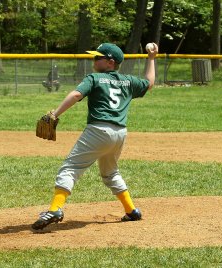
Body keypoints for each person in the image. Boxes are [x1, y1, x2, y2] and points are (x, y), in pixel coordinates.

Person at [32, 42, 158, 230]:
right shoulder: (128, 81)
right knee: (110, 172)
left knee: (71, 167)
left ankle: (54, 209)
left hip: (98, 131)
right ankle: (131, 210)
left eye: (98, 57)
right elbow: (149, 83)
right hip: (119, 134)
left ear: (110, 62)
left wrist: (55, 114)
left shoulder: (95, 78)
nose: (94, 59)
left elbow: (76, 95)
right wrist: (151, 59)